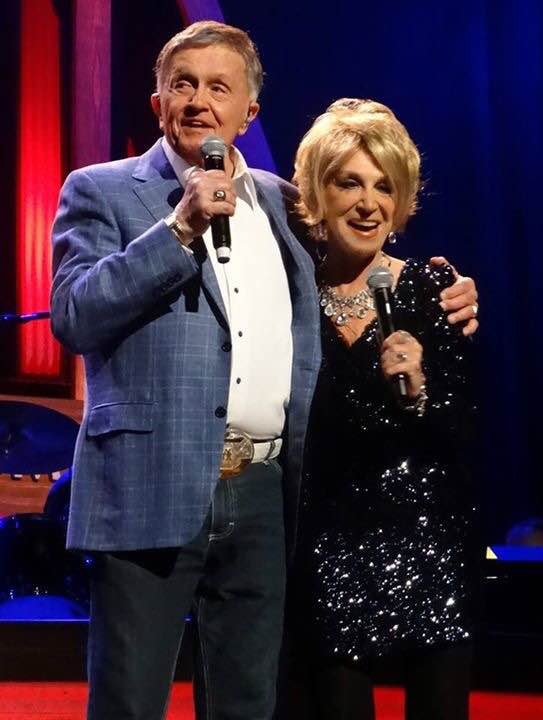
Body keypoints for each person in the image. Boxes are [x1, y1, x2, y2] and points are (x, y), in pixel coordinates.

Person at [50, 20, 478, 720]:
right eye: (182, 85)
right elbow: (74, 316)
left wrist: (447, 290)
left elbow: (357, 262)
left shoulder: (284, 205)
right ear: (157, 102)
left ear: (248, 112)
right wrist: (179, 228)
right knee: (130, 701)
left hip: (264, 494)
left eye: (219, 87)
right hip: (148, 483)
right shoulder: (101, 190)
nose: (199, 101)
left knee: (249, 704)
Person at [286, 98, 480, 720]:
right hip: (330, 543)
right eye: (349, 183)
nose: (368, 203)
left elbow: (465, 428)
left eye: (384, 187)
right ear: (318, 192)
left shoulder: (436, 290)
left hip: (429, 537)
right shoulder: (290, 295)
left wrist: (419, 388)